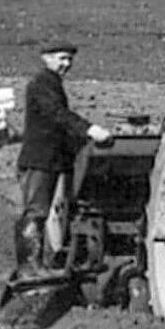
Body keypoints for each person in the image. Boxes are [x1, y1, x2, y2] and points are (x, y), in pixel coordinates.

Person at [13, 40, 113, 279]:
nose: (66, 64)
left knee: (46, 212)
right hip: (39, 160)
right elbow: (57, 115)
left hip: (52, 159)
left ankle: (41, 262)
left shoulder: (53, 84)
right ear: (45, 58)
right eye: (61, 58)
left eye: (69, 59)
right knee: (36, 212)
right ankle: (28, 267)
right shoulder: (41, 85)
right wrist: (89, 130)